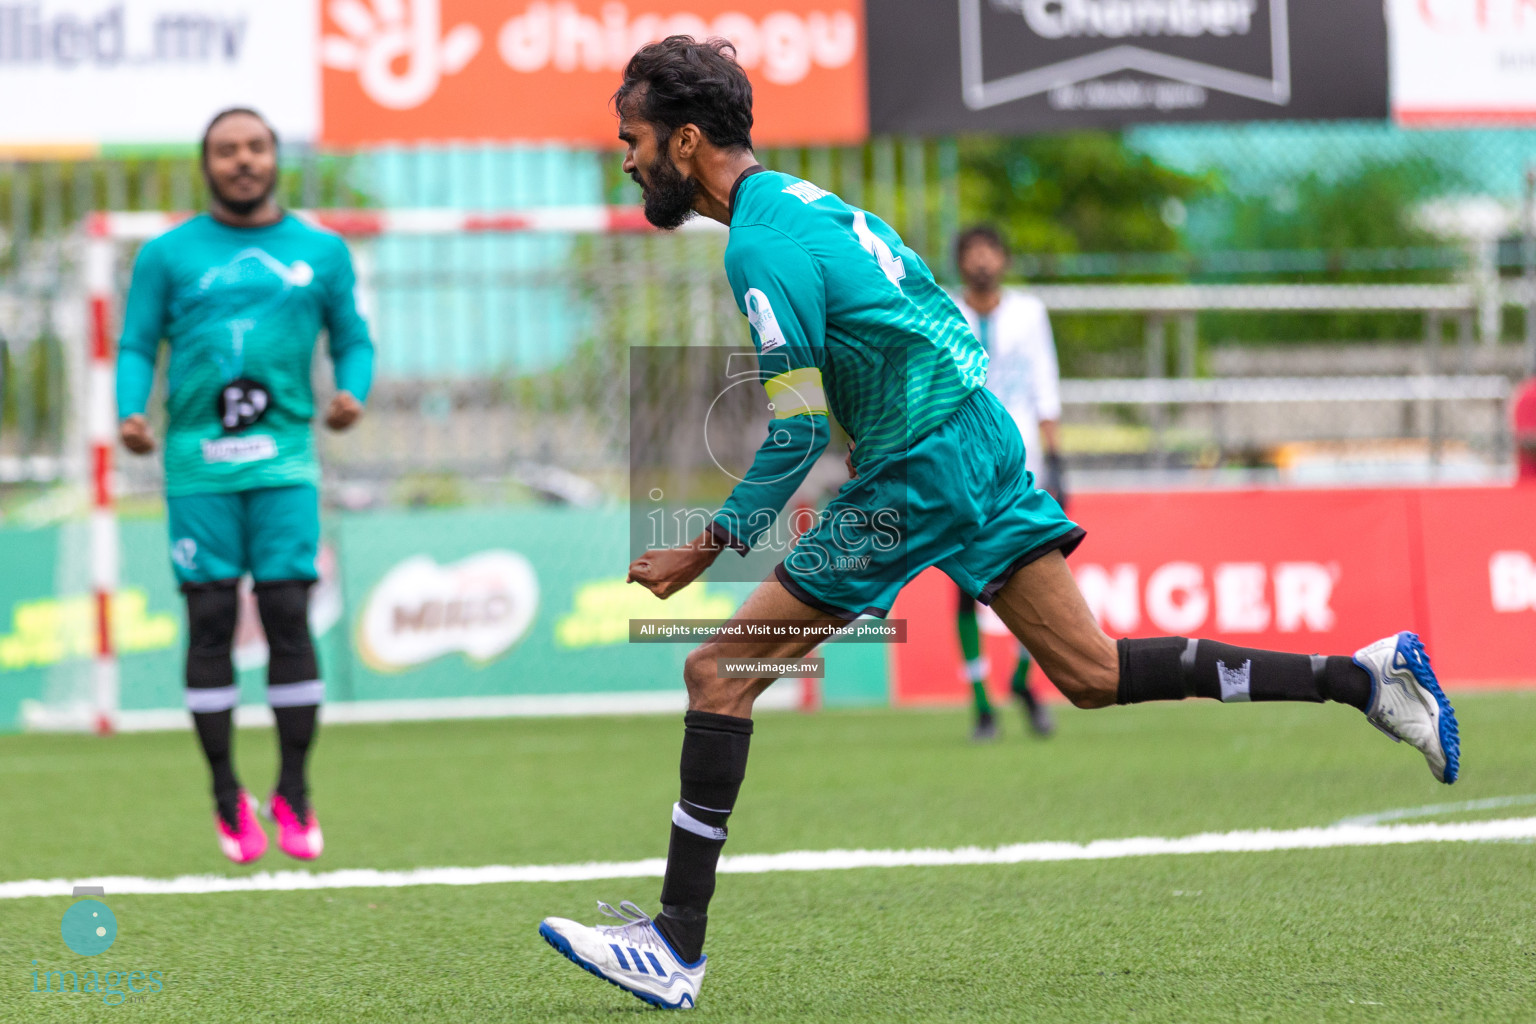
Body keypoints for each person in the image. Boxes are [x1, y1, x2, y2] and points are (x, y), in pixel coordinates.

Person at [538, 37, 1459, 1011]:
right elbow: (919, 312)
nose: (627, 158)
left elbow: (798, 428)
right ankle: (1365, 676)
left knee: (716, 672)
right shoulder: (805, 201)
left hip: (919, 467)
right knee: (1093, 674)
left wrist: (705, 545)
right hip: (975, 434)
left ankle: (677, 944)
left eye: (633, 139)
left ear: (686, 143)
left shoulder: (758, 244)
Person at [116, 107, 374, 864]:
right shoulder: (167, 255)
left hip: (285, 463)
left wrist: (352, 391)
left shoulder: (320, 251)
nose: (243, 161)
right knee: (210, 622)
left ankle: (293, 789)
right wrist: (130, 411)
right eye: (227, 151)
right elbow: (135, 343)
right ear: (208, 165)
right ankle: (226, 793)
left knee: (289, 613)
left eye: (255, 148)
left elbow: (352, 337)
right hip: (199, 469)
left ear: (273, 160)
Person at [952, 225, 1062, 741]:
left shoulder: (1030, 314)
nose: (981, 261)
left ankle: (1022, 680)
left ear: (1004, 259)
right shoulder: (944, 312)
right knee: (963, 585)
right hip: (964, 464)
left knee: (1032, 575)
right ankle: (981, 705)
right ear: (960, 263)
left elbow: (1044, 382)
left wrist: (1058, 461)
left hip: (1022, 463)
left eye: (989, 251)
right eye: (972, 253)